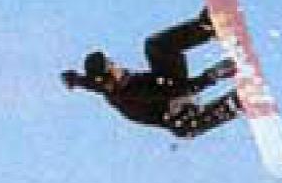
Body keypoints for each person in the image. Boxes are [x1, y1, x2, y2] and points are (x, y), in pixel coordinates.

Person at [61, 10, 241, 139]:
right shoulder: (128, 93)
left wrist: (76, 80)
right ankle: (234, 104)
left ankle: (205, 28)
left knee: (155, 46)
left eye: (112, 62)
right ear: (109, 78)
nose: (117, 66)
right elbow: (175, 91)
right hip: (176, 111)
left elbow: (93, 84)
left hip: (168, 86)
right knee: (182, 126)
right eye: (111, 66)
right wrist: (211, 76)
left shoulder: (114, 84)